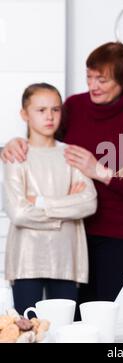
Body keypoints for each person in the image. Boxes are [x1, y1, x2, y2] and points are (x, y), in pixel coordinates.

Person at [1, 42, 123, 306]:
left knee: (105, 311)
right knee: (72, 315)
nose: (93, 86)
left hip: (119, 234)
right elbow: (44, 144)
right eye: (89, 77)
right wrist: (13, 143)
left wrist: (99, 171)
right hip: (74, 230)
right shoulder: (74, 107)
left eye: (101, 80)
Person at [3, 83, 97, 315]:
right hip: (26, 259)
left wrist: (41, 202)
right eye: (41, 110)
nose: (49, 116)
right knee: (27, 329)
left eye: (55, 109)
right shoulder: (17, 155)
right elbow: (19, 212)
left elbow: (89, 202)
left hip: (66, 258)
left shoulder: (71, 153)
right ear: (25, 114)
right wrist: (66, 208)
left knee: (64, 331)